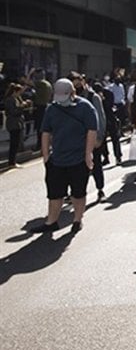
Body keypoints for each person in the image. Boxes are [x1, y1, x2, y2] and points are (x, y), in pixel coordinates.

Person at [31, 79, 97, 234]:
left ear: (72, 92)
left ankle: (77, 219)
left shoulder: (85, 107)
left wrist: (88, 154)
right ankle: (51, 222)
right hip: (57, 159)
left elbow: (92, 131)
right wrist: (46, 155)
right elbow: (46, 132)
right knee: (54, 193)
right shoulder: (52, 109)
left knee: (78, 192)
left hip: (79, 159)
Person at [69, 71, 107, 203]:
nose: (77, 85)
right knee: (75, 167)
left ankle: (100, 189)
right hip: (75, 139)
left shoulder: (92, 97)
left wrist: (99, 137)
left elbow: (100, 118)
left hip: (91, 137)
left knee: (96, 165)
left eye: (78, 82)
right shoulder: (68, 99)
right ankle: (76, 192)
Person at [3, 83, 30, 168]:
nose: (20, 94)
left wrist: (24, 105)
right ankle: (11, 162)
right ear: (14, 91)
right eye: (19, 92)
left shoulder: (16, 98)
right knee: (14, 143)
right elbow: (13, 112)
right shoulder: (10, 100)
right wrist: (21, 106)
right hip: (13, 123)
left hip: (17, 123)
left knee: (16, 142)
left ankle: (13, 162)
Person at [31, 68, 52, 151]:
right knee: (45, 127)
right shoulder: (48, 84)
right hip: (46, 106)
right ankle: (45, 145)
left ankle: (40, 145)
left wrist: (29, 74)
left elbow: (28, 82)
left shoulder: (41, 83)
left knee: (40, 127)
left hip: (40, 107)